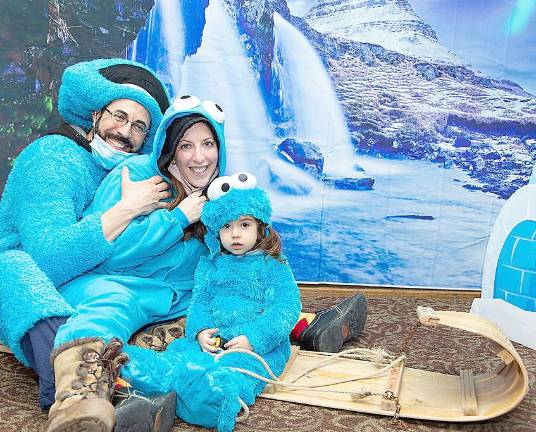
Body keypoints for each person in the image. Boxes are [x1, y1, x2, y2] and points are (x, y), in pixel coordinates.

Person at [0, 58, 172, 417]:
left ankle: (132, 377)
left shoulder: (125, 170)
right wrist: (127, 208)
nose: (126, 132)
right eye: (119, 116)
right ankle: (74, 393)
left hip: (87, 283)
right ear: (94, 114)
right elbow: (49, 261)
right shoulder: (52, 158)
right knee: (10, 268)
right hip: (32, 288)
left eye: (140, 126)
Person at [44, 95, 226, 432]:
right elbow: (112, 250)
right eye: (186, 146)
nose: (199, 157)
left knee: (220, 332)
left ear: (220, 148)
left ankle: (144, 400)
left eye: (207, 144)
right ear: (170, 149)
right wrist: (177, 220)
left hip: (170, 303)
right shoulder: (137, 174)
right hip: (109, 281)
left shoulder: (218, 196)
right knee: (113, 305)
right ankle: (79, 402)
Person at [121, 173, 301, 432]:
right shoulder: (209, 265)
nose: (235, 234)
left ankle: (211, 398)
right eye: (226, 227)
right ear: (216, 232)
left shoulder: (273, 265)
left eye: (244, 225)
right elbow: (200, 302)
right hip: (212, 340)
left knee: (237, 371)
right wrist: (201, 330)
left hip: (255, 346)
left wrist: (253, 338)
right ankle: (150, 373)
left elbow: (285, 309)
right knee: (180, 353)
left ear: (261, 226)